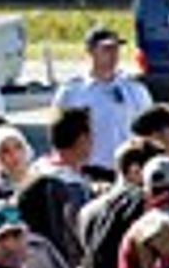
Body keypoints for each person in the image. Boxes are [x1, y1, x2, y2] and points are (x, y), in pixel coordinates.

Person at [49, 28, 152, 175]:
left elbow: (149, 132)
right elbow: (59, 139)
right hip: (88, 172)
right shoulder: (72, 92)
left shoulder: (134, 90)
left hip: (128, 172)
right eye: (107, 49)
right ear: (90, 51)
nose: (114, 55)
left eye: (116, 49)